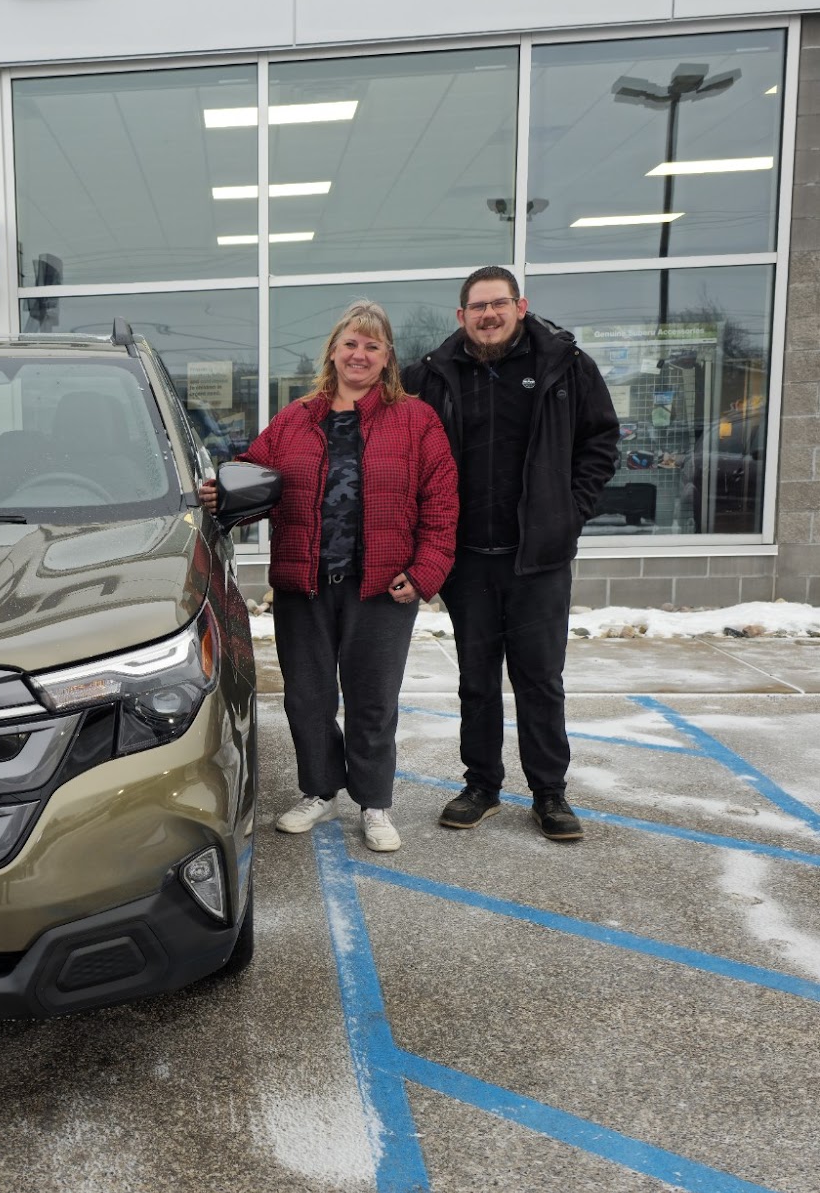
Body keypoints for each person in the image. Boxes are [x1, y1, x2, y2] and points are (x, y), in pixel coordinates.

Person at [200, 301, 457, 851]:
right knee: (307, 698)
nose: (359, 354)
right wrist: (223, 493)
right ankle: (319, 790)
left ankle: (374, 802)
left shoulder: (416, 420)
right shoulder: (297, 418)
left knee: (373, 700)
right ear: (334, 352)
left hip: (382, 587)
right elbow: (256, 478)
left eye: (372, 346)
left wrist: (426, 571)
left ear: (387, 357)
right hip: (306, 584)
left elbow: (441, 502)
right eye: (350, 344)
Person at [403, 267, 620, 842]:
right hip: (467, 558)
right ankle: (482, 786)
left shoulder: (565, 365)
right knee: (476, 680)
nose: (488, 315)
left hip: (538, 558)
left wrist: (570, 510)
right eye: (477, 307)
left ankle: (550, 793)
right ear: (461, 316)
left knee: (540, 679)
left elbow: (600, 441)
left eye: (498, 303)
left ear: (520, 307)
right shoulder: (432, 374)